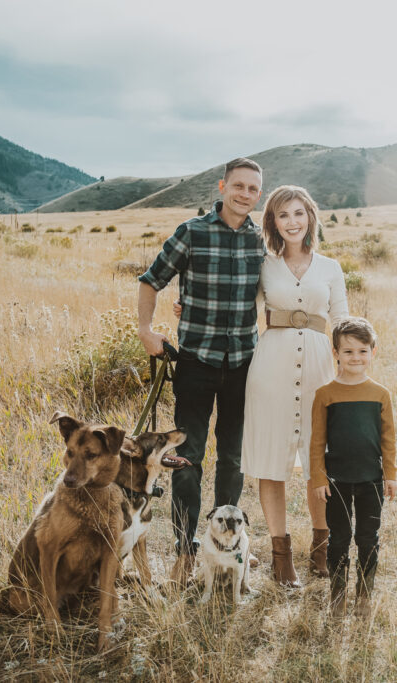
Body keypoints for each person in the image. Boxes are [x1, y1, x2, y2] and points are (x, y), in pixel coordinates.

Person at [136, 158, 265, 585]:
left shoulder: (262, 240)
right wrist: (146, 329)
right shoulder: (192, 231)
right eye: (239, 186)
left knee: (232, 457)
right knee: (188, 458)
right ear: (223, 185)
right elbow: (151, 279)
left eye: (253, 189)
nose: (246, 194)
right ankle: (186, 550)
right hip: (195, 362)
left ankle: (229, 547)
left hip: (245, 363)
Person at [241, 185, 349, 587]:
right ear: (272, 222)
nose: (292, 222)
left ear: (310, 217)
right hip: (271, 368)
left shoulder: (331, 268)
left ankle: (322, 549)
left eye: (299, 213)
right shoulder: (264, 266)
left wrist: (349, 374)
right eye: (283, 215)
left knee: (318, 461)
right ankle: (280, 556)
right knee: (272, 460)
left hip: (321, 366)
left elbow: (341, 320)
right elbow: (241, 311)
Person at [309, 317, 397, 617]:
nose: (355, 358)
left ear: (373, 352)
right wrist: (319, 479)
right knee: (339, 538)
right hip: (336, 481)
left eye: (362, 351)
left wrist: (391, 475)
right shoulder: (325, 395)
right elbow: (317, 442)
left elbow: (388, 439)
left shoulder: (380, 394)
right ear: (335, 354)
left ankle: (364, 595)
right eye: (348, 352)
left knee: (368, 537)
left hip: (371, 480)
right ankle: (337, 595)